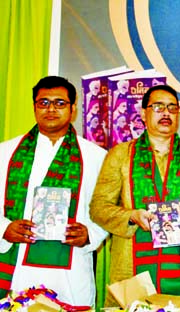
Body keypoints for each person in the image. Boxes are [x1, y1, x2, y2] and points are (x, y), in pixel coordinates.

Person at [90, 85, 180, 304]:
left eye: (172, 108)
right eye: (158, 107)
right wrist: (131, 216)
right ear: (143, 113)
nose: (166, 113)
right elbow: (99, 207)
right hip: (131, 265)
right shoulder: (120, 154)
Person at [0, 76, 108, 306]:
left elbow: (106, 209)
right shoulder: (5, 152)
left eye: (59, 103)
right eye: (43, 103)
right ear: (34, 107)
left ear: (73, 108)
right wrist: (4, 228)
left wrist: (90, 234)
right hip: (17, 263)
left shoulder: (96, 156)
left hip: (70, 268)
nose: (51, 109)